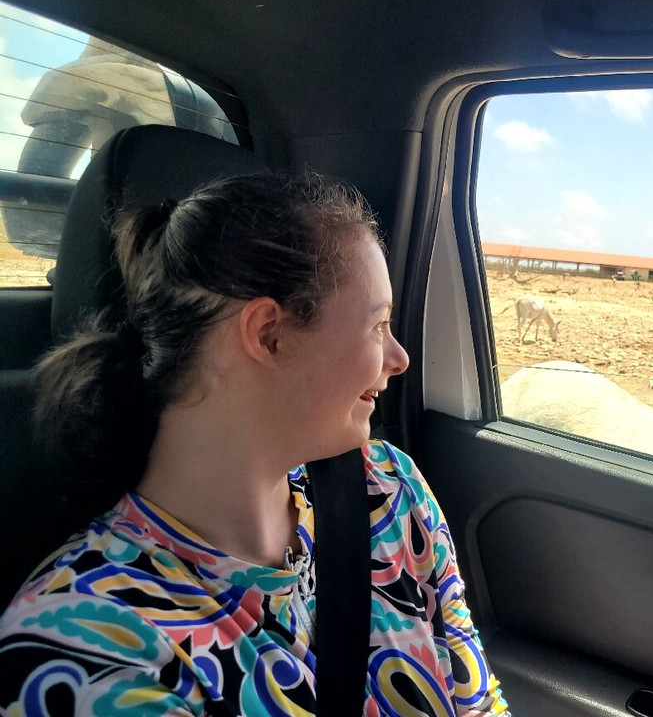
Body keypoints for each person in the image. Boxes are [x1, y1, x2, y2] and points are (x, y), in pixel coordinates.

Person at [0, 170, 511, 716]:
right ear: (269, 333)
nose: (399, 358)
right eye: (377, 325)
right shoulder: (91, 652)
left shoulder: (388, 489)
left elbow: (477, 701)